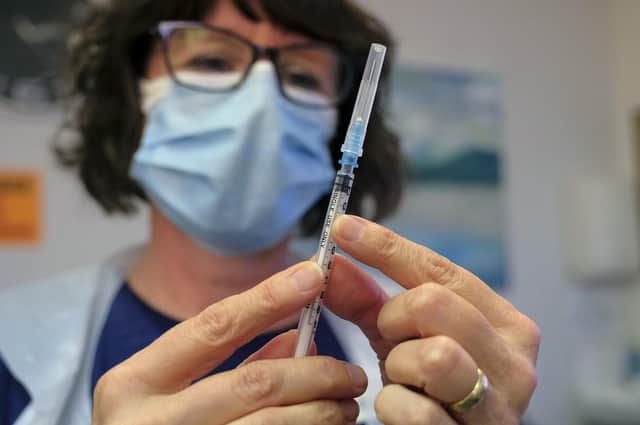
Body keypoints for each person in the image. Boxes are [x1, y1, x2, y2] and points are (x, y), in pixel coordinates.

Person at [0, 0, 540, 424]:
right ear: (132, 104)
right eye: (212, 61)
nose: (261, 99)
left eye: (303, 76)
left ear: (339, 135)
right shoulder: (13, 344)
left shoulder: (427, 353)